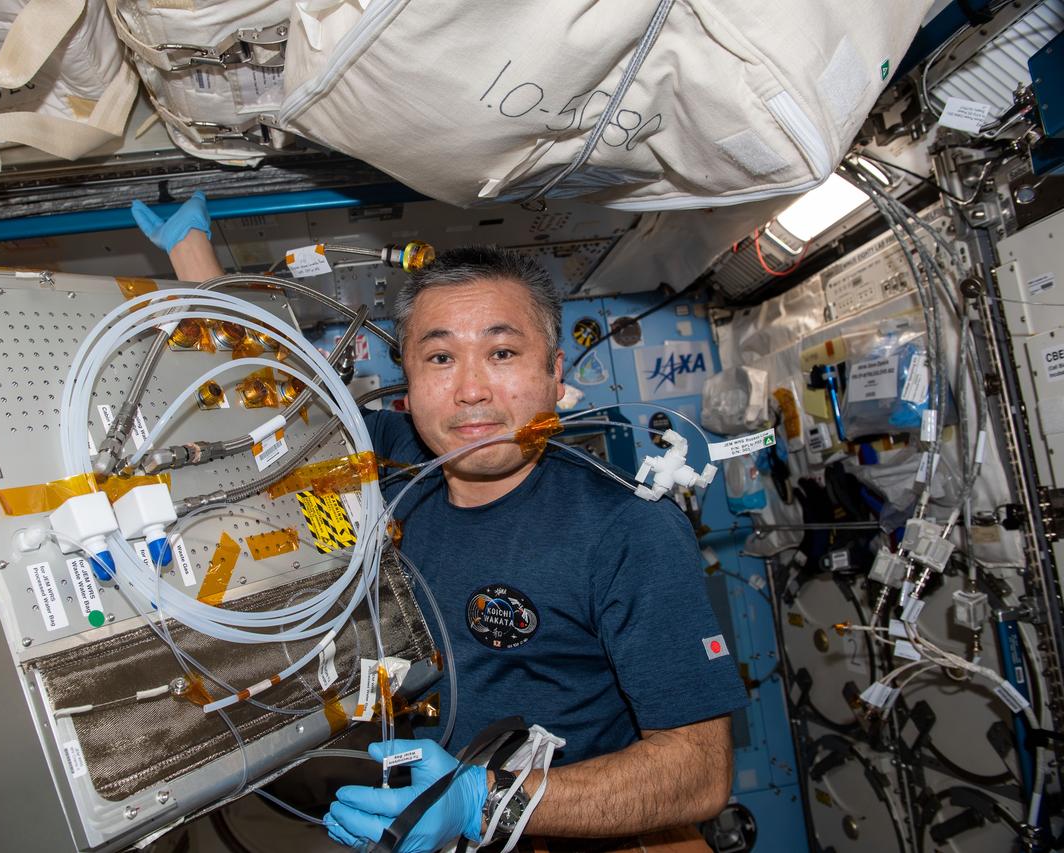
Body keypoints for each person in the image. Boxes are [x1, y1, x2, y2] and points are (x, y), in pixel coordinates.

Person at [134, 194, 747, 852]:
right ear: (408, 383)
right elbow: (269, 390)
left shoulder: (625, 530)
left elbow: (699, 770)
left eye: (503, 353)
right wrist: (192, 253)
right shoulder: (392, 461)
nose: (472, 389)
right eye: (440, 357)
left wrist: (481, 798)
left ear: (553, 373)